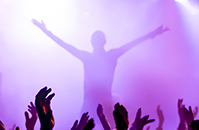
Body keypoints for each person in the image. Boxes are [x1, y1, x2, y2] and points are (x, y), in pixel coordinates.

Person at [31, 19, 169, 112]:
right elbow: (64, 45)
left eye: (98, 38)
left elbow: (131, 44)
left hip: (102, 101)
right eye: (95, 38)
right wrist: (46, 31)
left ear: (103, 41)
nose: (96, 41)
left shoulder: (108, 56)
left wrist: (152, 34)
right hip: (91, 101)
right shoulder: (92, 57)